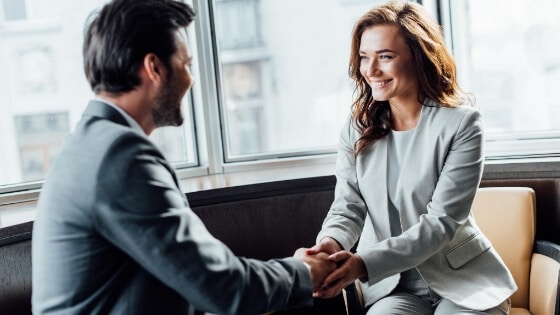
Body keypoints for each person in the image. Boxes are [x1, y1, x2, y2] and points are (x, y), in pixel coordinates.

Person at [31, 0, 336, 314]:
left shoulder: (89, 144)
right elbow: (224, 289)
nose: (191, 79)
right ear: (154, 68)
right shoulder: (120, 156)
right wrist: (304, 271)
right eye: (186, 64)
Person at [304, 1, 516, 314]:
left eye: (385, 57)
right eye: (364, 57)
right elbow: (348, 205)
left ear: (418, 58)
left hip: (465, 282)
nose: (371, 70)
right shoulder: (358, 127)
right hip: (393, 287)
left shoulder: (462, 124)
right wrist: (330, 245)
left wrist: (362, 263)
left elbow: (441, 223)